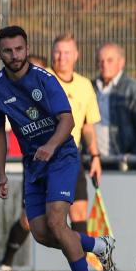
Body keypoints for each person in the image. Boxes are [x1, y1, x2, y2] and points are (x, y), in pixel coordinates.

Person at [0, 26, 116, 271]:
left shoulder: (45, 79)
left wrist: (50, 145)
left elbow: (67, 120)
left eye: (19, 49)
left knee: (58, 222)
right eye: (8, 51)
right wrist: (1, 174)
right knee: (41, 232)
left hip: (62, 157)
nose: (15, 55)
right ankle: (98, 246)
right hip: (34, 164)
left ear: (27, 48)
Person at [0, 55, 61, 271]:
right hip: (33, 163)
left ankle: (53, 270)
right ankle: (5, 266)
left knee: (58, 218)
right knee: (30, 219)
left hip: (60, 162)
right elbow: (1, 128)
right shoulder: (10, 94)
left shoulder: (54, 93)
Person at [50, 33, 103, 236]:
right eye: (58, 51)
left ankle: (79, 267)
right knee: (31, 220)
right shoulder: (41, 79)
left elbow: (87, 126)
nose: (61, 57)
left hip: (71, 157)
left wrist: (95, 156)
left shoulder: (84, 85)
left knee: (79, 213)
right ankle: (4, 264)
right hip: (43, 158)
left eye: (66, 52)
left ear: (76, 55)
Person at [93, 42, 136, 171]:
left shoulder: (135, 89)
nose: (104, 65)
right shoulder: (89, 87)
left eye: (110, 60)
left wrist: (131, 160)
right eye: (101, 61)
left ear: (121, 63)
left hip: (122, 164)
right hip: (93, 162)